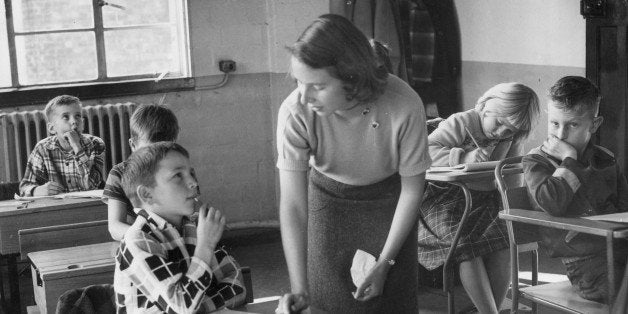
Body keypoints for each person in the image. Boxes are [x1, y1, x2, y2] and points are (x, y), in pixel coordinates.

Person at [275, 14, 431, 314]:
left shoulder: (403, 103)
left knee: (393, 303)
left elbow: (412, 191)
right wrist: (299, 287)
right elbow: (293, 205)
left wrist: (386, 263)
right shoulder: (294, 111)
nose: (304, 96)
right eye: (298, 82)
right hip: (329, 203)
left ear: (352, 77)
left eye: (317, 86)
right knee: (329, 303)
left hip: (392, 205)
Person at [418, 82, 540, 314]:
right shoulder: (461, 122)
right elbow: (426, 151)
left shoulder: (509, 136)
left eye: (511, 130)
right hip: (442, 198)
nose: (503, 132)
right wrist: (465, 156)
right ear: (485, 107)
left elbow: (510, 176)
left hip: (484, 200)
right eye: (500, 123)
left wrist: (514, 198)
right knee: (465, 245)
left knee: (505, 240)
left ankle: (486, 310)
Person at [523, 76, 628, 303]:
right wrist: (569, 160)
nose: (560, 135)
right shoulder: (536, 162)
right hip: (585, 264)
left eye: (572, 125)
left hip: (620, 251)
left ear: (595, 124)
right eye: (555, 124)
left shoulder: (605, 159)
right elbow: (552, 203)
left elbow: (624, 206)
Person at [114, 142, 246, 313]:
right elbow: (181, 307)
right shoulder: (138, 239)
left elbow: (236, 285)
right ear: (147, 194)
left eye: (191, 173)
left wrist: (198, 308)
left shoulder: (195, 225)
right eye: (178, 175)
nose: (193, 182)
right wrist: (205, 247)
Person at [102, 103, 180, 241]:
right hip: (139, 241)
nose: (156, 158)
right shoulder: (119, 174)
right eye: (149, 151)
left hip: (176, 239)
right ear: (133, 145)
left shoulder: (179, 171)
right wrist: (152, 237)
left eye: (165, 150)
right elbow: (114, 227)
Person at [19, 95, 105, 196]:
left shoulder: (95, 143)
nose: (74, 121)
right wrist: (36, 190)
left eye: (78, 116)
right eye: (66, 117)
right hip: (58, 208)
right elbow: (24, 187)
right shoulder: (42, 148)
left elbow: (92, 185)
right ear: (51, 128)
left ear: (83, 123)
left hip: (88, 206)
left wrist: (77, 148)